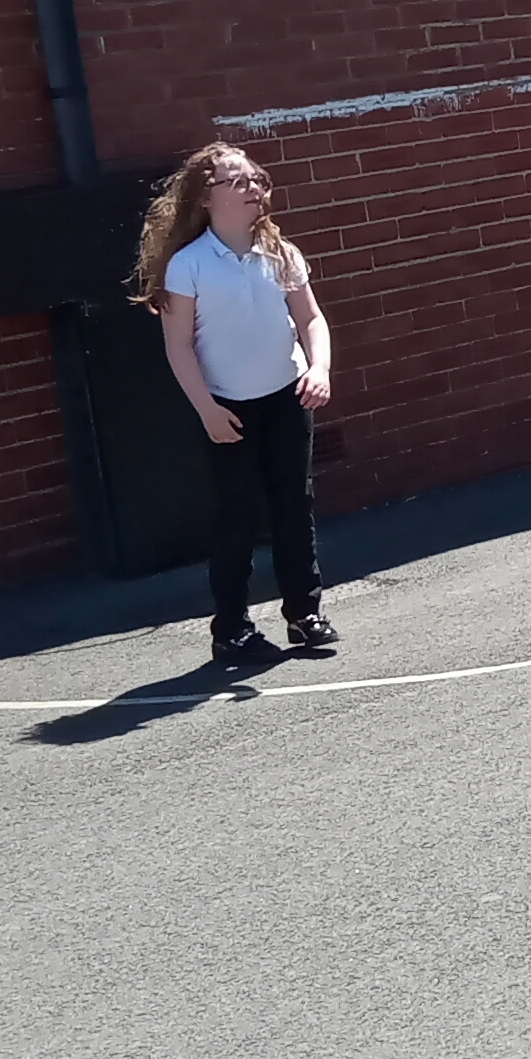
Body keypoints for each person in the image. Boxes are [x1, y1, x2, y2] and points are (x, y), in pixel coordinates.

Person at [135, 142, 336, 668]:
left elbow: (311, 319)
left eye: (256, 180)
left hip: (287, 396)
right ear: (207, 198)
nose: (254, 189)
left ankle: (305, 612)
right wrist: (207, 409)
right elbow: (178, 346)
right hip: (227, 408)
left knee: (294, 504)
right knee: (235, 516)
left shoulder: (281, 253)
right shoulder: (188, 266)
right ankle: (232, 628)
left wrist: (318, 369)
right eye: (238, 181)